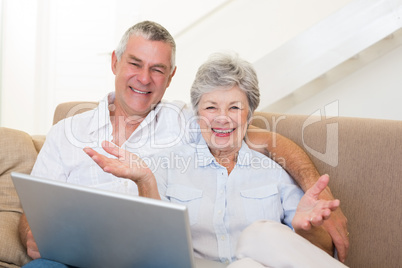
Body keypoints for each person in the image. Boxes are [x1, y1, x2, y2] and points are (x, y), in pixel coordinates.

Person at [19, 21, 348, 265]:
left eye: (157, 69)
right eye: (135, 63)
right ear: (115, 63)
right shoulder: (67, 132)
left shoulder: (184, 121)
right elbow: (32, 209)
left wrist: (318, 196)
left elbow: (258, 138)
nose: (145, 78)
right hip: (76, 258)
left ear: (171, 76)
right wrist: (30, 236)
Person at [84, 52, 347, 267]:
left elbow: (318, 252)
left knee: (255, 249)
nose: (222, 118)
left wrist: (306, 229)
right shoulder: (167, 167)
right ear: (196, 114)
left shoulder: (273, 173)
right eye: (211, 107)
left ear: (250, 116)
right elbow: (152, 243)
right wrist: (144, 181)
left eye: (234, 107)